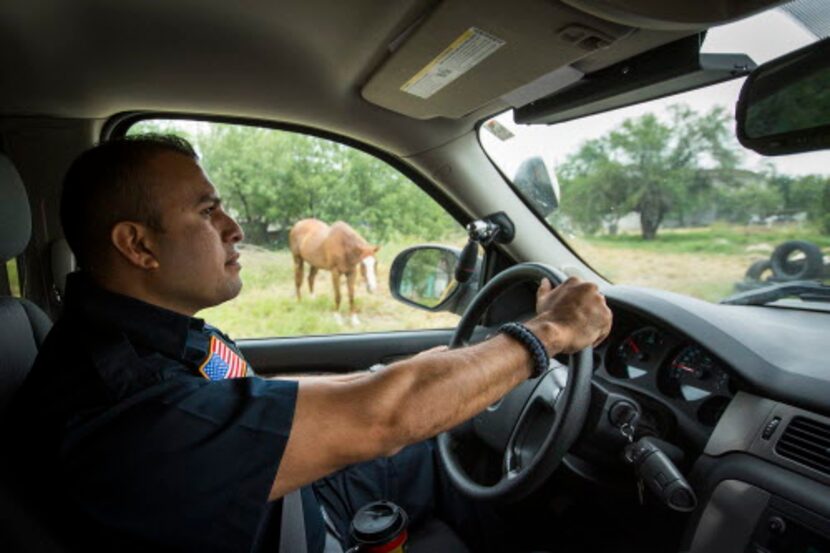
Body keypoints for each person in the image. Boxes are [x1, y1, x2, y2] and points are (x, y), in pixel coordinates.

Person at [6, 135, 612, 552]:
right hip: (292, 531)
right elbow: (384, 416)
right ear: (138, 245)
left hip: (279, 500)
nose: (235, 228)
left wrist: (418, 371)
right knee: (464, 464)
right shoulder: (123, 396)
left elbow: (253, 399)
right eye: (208, 210)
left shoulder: (146, 333)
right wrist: (550, 331)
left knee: (446, 444)